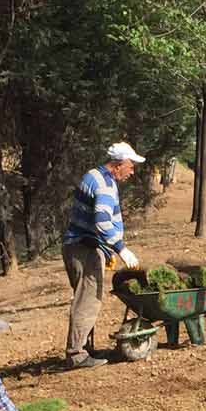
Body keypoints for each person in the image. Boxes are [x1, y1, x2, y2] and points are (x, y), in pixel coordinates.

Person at [61, 141, 144, 371]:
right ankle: (77, 354)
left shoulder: (94, 175)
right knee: (87, 301)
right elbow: (102, 221)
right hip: (84, 248)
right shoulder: (106, 185)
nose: (132, 171)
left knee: (85, 299)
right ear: (118, 164)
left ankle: (85, 349)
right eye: (130, 165)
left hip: (79, 246)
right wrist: (121, 248)